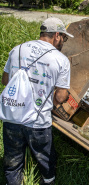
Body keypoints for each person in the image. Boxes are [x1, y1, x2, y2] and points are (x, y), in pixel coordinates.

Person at [1, 17, 74, 185]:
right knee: (46, 160)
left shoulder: (17, 49)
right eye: (64, 37)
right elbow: (60, 97)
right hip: (38, 123)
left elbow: (5, 81)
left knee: (13, 161)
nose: (63, 41)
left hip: (12, 116)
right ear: (57, 35)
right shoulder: (60, 59)